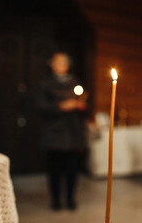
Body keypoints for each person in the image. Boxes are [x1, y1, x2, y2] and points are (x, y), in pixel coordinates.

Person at [37, 52, 87, 211]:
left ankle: (71, 199)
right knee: (54, 170)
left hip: (72, 133)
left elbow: (84, 102)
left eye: (63, 62)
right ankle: (56, 200)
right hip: (53, 133)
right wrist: (61, 106)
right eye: (57, 62)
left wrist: (80, 106)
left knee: (72, 170)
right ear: (52, 65)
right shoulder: (45, 84)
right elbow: (40, 106)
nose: (60, 65)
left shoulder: (75, 82)